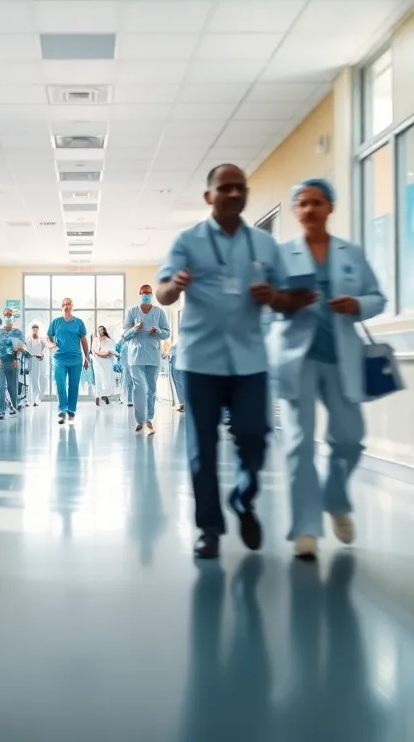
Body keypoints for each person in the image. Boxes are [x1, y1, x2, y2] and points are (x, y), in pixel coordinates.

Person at [156, 163, 291, 560]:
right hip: (201, 360)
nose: (234, 194)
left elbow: (287, 299)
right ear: (209, 196)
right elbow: (162, 293)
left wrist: (274, 298)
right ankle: (209, 529)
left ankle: (244, 499)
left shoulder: (264, 245)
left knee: (255, 437)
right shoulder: (188, 241)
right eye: (225, 188)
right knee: (203, 448)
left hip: (250, 358)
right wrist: (173, 287)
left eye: (239, 188)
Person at [273, 179, 386, 561]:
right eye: (302, 203)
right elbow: (266, 304)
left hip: (341, 358)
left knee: (351, 438)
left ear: (330, 207)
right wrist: (286, 301)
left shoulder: (350, 252)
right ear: (294, 210)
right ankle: (306, 527)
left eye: (316, 202)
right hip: (297, 358)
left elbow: (378, 298)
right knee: (299, 442)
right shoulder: (281, 254)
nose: (309, 209)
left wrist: (357, 303)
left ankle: (335, 497)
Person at [123, 284, 172, 434]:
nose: (146, 295)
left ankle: (149, 419)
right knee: (139, 389)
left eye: (148, 293)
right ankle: (140, 421)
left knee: (151, 389)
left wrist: (157, 331)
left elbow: (167, 333)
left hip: (153, 355)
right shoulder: (132, 312)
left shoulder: (159, 312)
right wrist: (134, 329)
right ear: (139, 294)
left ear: (152, 295)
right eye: (143, 293)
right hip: (136, 357)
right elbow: (125, 335)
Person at [46, 298, 90, 425]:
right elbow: (49, 336)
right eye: (64, 304)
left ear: (72, 306)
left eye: (68, 304)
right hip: (59, 358)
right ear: (61, 307)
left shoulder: (79, 322)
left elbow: (84, 340)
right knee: (60, 383)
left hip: (76, 358)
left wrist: (86, 357)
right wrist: (52, 343)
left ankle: (71, 410)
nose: (66, 306)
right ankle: (62, 409)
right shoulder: (56, 322)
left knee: (74, 385)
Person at [0, 310, 25, 418]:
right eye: (6, 315)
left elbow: (22, 348)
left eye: (10, 315)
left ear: (13, 317)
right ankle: (1, 411)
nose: (8, 316)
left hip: (13, 362)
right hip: (0, 363)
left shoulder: (18, 332)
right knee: (1, 386)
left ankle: (14, 408)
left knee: (12, 387)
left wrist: (17, 357)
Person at [90, 325, 117, 405]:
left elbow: (111, 352)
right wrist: (102, 354)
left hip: (105, 361)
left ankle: (102, 396)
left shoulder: (109, 340)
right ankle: (100, 396)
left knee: (104, 379)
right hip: (99, 362)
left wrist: (102, 354)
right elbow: (95, 351)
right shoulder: (96, 340)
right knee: (101, 379)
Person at [23, 322, 48, 406]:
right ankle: (28, 400)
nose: (35, 331)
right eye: (33, 329)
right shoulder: (28, 339)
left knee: (39, 379)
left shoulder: (41, 339)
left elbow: (45, 348)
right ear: (31, 330)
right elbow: (25, 348)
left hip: (39, 360)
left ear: (38, 330)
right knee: (31, 380)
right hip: (30, 360)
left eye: (36, 329)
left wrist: (42, 354)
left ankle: (35, 399)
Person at [164, 338, 185, 412]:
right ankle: (182, 403)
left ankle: (184, 403)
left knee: (181, 383)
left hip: (181, 360)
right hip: (175, 360)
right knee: (177, 382)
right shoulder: (178, 341)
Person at [117, 329, 135, 407]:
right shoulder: (124, 345)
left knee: (130, 383)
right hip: (127, 366)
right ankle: (129, 400)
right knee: (128, 383)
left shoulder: (130, 344)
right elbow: (119, 353)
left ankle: (130, 400)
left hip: (132, 365)